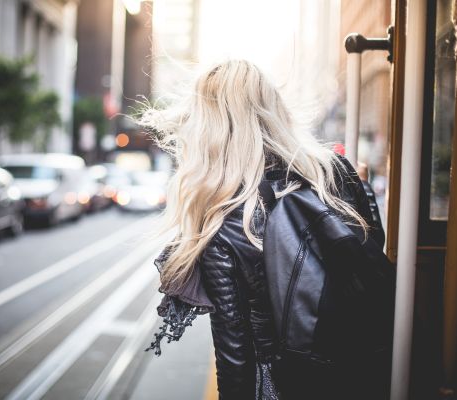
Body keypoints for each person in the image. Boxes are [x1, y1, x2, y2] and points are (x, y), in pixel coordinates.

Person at [141, 60, 386, 399]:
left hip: (283, 382)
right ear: (272, 110)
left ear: (209, 126)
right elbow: (371, 248)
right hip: (363, 365)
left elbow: (235, 356)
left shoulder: (221, 219)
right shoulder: (334, 171)